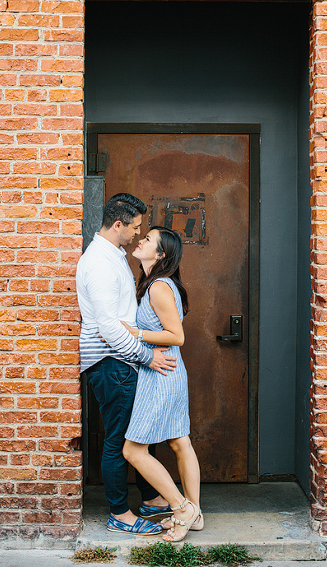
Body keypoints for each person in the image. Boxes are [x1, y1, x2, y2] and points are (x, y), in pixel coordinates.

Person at [76, 193, 177, 536]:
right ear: (117, 225)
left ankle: (150, 498)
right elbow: (107, 328)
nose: (138, 233)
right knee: (119, 441)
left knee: (134, 437)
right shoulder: (100, 263)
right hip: (111, 363)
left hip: (120, 362)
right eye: (135, 227)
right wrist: (146, 354)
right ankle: (120, 513)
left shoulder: (113, 255)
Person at [119, 226, 203, 542]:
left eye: (148, 239)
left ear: (161, 254)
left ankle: (181, 508)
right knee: (180, 443)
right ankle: (194, 513)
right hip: (168, 373)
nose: (141, 240)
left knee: (133, 451)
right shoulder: (155, 284)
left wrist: (134, 333)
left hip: (161, 376)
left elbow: (176, 336)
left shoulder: (158, 287)